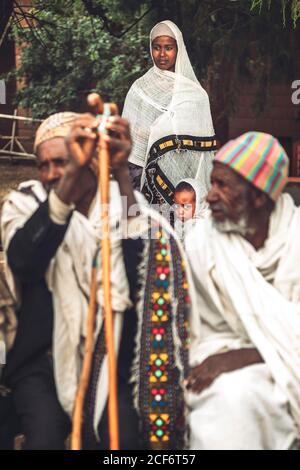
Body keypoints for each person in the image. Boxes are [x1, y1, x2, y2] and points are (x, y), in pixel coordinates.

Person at [1, 111, 192, 450]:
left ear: (90, 162)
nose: (50, 174)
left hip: (108, 361)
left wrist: (119, 171)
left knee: (120, 439)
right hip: (40, 364)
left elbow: (145, 277)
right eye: (42, 165)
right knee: (43, 438)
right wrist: (63, 196)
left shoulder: (121, 212)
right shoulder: (26, 205)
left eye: (62, 162)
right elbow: (23, 260)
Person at [184, 131, 300, 450]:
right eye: (212, 183)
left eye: (223, 185)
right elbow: (198, 329)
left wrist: (250, 354)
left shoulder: (296, 240)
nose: (209, 196)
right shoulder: (202, 241)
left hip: (287, 363)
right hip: (217, 353)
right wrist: (230, 357)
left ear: (259, 196)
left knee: (243, 394)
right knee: (230, 397)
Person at [122, 20, 216, 210]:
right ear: (151, 49)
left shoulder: (196, 95)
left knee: (182, 231)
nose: (162, 54)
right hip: (142, 176)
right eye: (157, 48)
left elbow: (202, 151)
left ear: (178, 49)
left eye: (168, 48)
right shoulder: (140, 89)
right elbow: (130, 138)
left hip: (185, 180)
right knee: (146, 232)